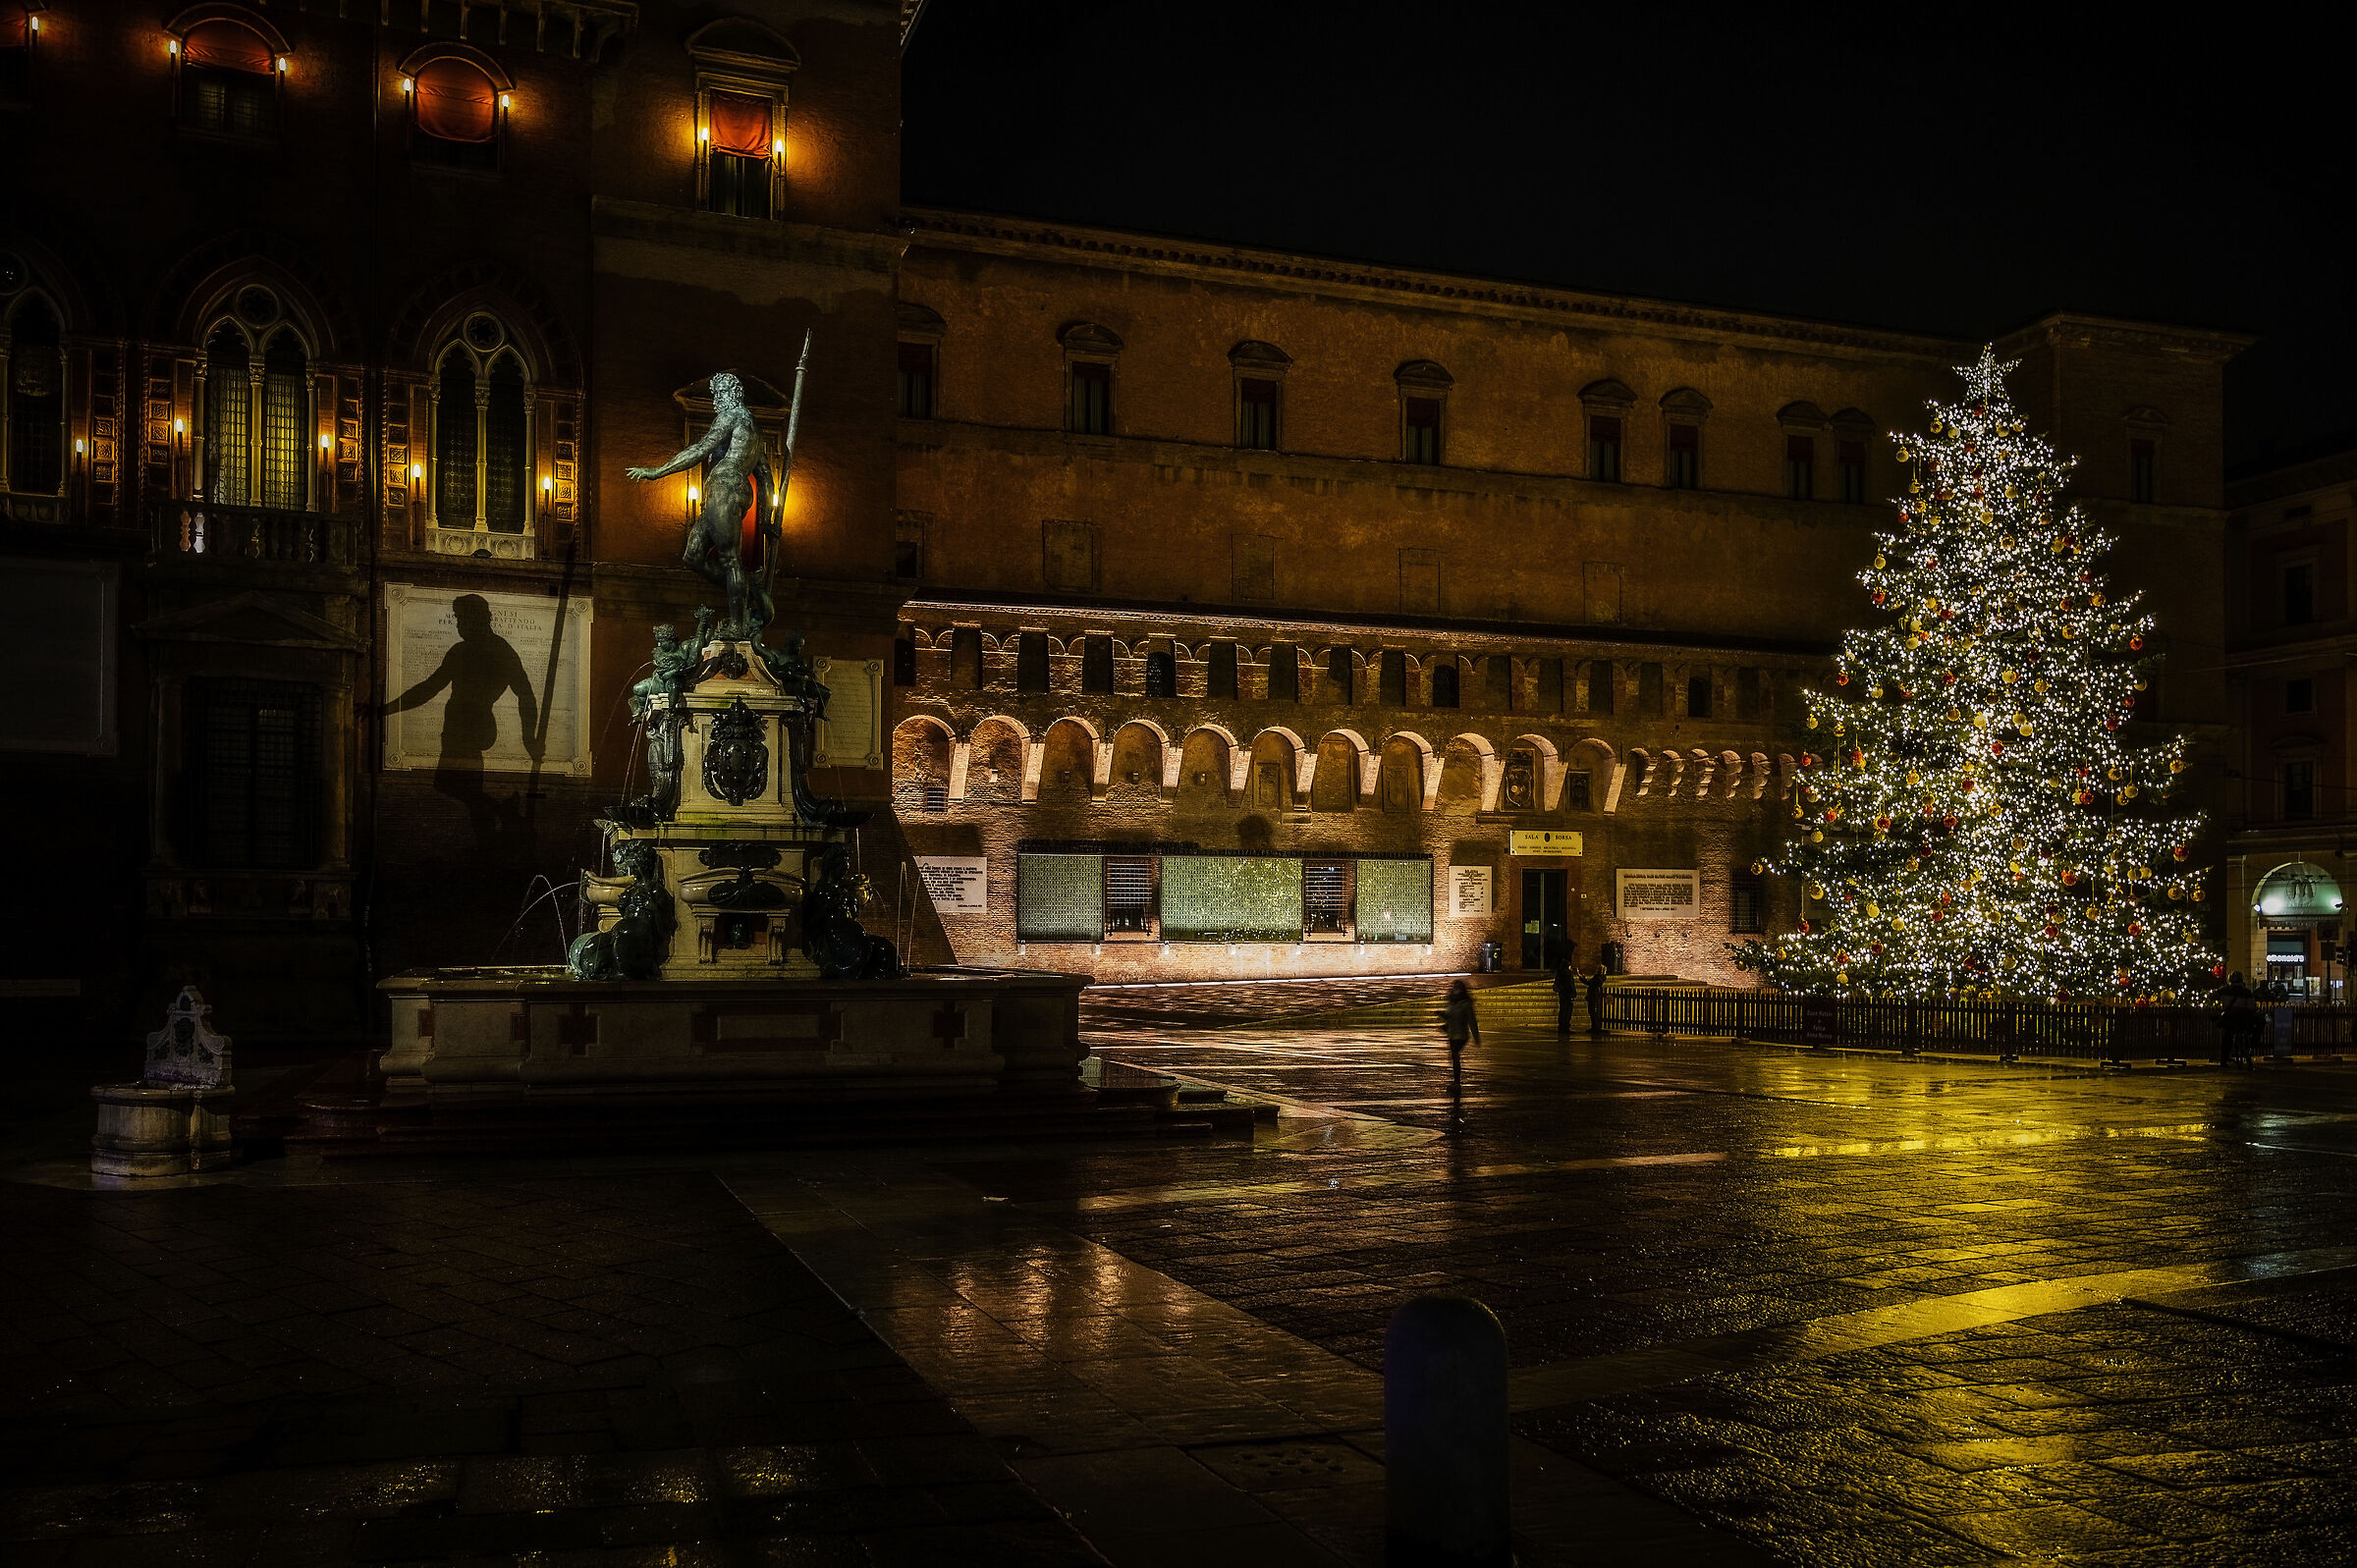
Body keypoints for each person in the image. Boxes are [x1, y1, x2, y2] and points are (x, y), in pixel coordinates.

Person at [1442, 978, 1480, 1081]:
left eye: (1458, 987)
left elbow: (1472, 1020)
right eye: (1454, 987)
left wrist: (1476, 1036)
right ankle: (1456, 1081)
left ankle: (1457, 1082)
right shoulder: (1451, 1002)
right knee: (1454, 1057)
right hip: (1452, 1033)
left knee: (1455, 1055)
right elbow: (1450, 1016)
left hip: (1461, 1035)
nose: (1455, 989)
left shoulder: (1466, 1004)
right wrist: (1443, 1017)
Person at [1552, 953, 1577, 1036]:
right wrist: (1574, 993)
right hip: (1568, 995)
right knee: (1567, 1011)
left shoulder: (1559, 973)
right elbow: (1570, 985)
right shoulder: (1568, 974)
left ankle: (1561, 1027)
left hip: (1562, 994)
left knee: (1562, 1010)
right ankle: (1566, 1027)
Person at [1584, 962, 1607, 1036]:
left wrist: (1581, 978)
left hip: (1593, 996)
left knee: (1592, 1011)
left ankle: (1595, 1027)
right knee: (1592, 1012)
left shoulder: (1598, 978)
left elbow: (1589, 983)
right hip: (1593, 995)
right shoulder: (1600, 977)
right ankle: (1594, 1027)